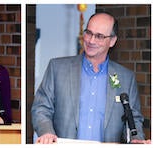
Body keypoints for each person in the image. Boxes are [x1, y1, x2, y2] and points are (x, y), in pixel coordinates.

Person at [32, 12, 151, 144]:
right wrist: (46, 132)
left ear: (112, 41)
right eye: (88, 33)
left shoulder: (126, 78)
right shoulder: (57, 68)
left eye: (99, 36)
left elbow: (133, 119)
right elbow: (41, 108)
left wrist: (136, 139)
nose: (91, 40)